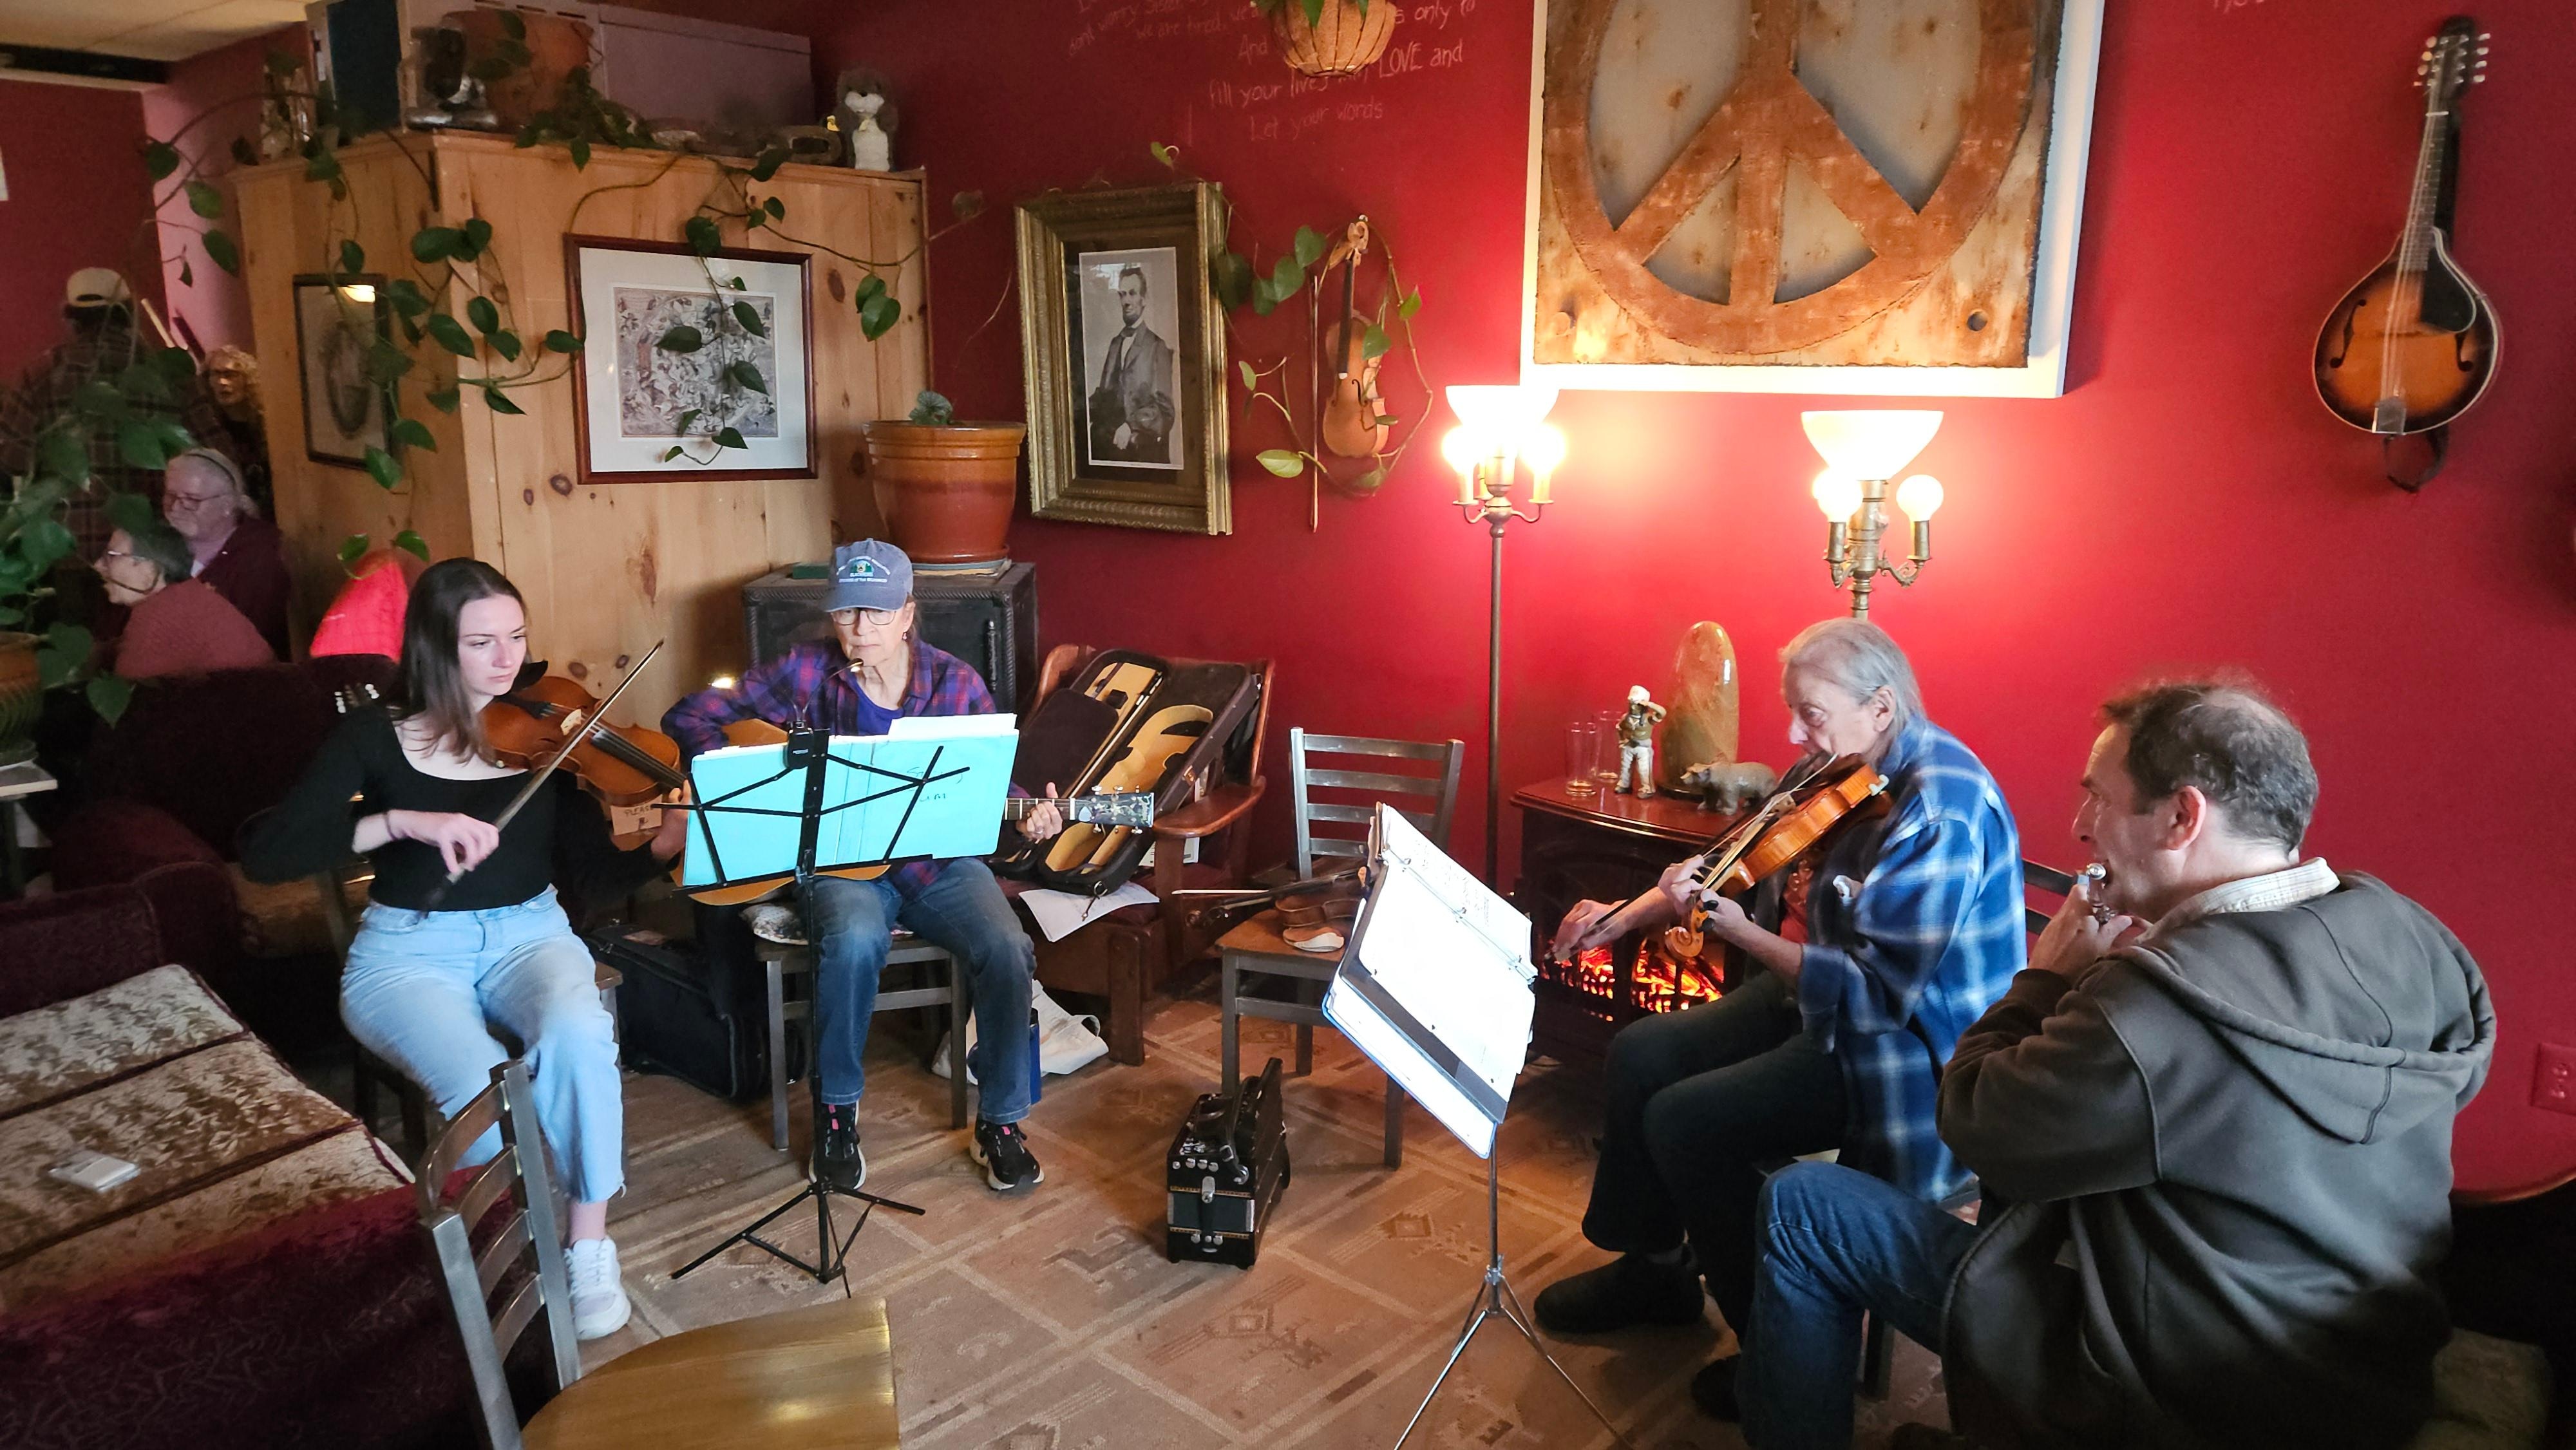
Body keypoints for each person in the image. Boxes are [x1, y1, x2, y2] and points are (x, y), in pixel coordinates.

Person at [1738, 681, 2494, 1450]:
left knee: (1803, 1205)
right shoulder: (2406, 933)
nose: (2078, 825)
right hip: (2360, 1367)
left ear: (2180, 816)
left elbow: (1971, 1120)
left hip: (2183, 1390)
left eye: (2097, 797)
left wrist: (2047, 975)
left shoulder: (2157, 1007)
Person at [1533, 619, 2025, 1419]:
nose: (1796, 732)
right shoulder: (1843, 763)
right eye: (1793, 710)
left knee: (1687, 1122)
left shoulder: (1942, 810)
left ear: (1880, 704)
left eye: (1812, 712)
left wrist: (1742, 932)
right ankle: (1657, 1271)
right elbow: (1725, 859)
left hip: (1901, 1053)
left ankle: (1779, 1348)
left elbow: (1873, 995)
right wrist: (1623, 916)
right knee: (1642, 1050)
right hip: (1810, 990)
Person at [242, 560, 690, 1341]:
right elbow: (268, 852)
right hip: (410, 950)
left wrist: (660, 848)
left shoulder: (549, 741)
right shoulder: (373, 736)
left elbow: (591, 874)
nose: (505, 659)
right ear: (433, 648)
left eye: (515, 637)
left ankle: (587, 1242)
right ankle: (516, 1240)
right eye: (480, 642)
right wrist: (399, 822)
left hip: (532, 932)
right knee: (483, 1085)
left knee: (581, 1032)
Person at [661, 539, 1064, 1194]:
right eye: (848, 612)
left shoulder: (956, 681)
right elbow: (689, 715)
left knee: (1007, 944)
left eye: (877, 613)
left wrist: (1028, 812)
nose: (861, 629)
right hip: (840, 860)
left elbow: (992, 784)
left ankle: (1001, 1120)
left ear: (908, 614)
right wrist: (750, 772)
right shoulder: (803, 672)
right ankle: (836, 1112)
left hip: (936, 863)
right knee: (851, 940)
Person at [0, 268, 230, 554]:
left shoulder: (39, 375)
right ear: (129, 313)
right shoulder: (169, 374)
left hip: (68, 548)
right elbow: (216, 457)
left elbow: (11, 459)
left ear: (71, 317)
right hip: (154, 549)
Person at [92, 515, 275, 679]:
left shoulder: (159, 614)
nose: (98, 565)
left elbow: (124, 702)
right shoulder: (187, 596)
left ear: (149, 568)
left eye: (112, 557)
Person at [161, 447, 292, 658]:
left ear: (227, 504)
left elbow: (251, 647)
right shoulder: (155, 542)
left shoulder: (261, 556)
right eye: (170, 495)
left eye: (192, 499)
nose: (176, 508)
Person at [1086, 264, 1176, 464]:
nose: (1126, 301)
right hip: (1107, 436)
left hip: (1139, 444)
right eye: (1122, 294)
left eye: (1132, 294)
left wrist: (1131, 425)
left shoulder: (1156, 346)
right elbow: (1104, 394)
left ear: (1144, 299)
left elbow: (1165, 410)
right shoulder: (1116, 343)